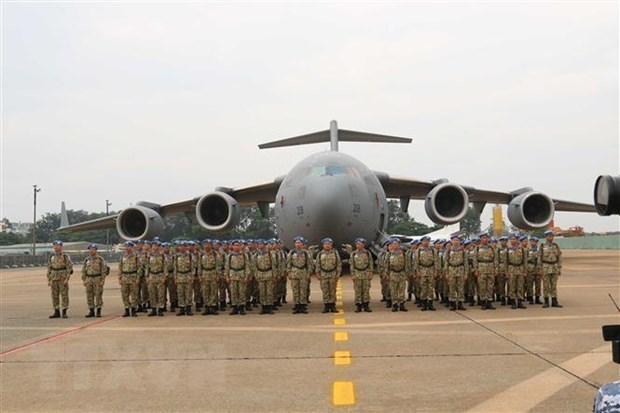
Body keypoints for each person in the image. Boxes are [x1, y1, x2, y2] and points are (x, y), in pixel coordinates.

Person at [286, 236, 314, 314]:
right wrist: (288, 272)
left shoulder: (306, 252)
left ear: (302, 244)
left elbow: (309, 263)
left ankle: (302, 305)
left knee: (303, 290)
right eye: (296, 243)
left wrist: (309, 273)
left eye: (299, 243)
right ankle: (297, 305)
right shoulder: (291, 252)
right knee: (295, 290)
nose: (298, 244)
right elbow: (289, 263)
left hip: (303, 273)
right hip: (294, 273)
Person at [47, 240, 73, 319]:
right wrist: (49, 279)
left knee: (64, 295)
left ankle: (64, 311)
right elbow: (49, 268)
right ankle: (56, 311)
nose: (56, 247)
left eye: (58, 245)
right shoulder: (51, 256)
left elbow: (69, 267)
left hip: (62, 277)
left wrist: (67, 278)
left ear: (61, 246)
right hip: (54, 277)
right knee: (54, 295)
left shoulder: (65, 256)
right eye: (55, 245)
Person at [81, 244, 109, 318]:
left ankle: (98, 311)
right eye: (90, 249)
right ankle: (91, 311)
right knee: (89, 295)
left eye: (93, 249)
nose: (91, 250)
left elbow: (104, 270)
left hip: (97, 278)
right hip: (89, 279)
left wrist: (103, 280)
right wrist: (84, 279)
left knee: (98, 295)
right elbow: (83, 270)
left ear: (96, 250)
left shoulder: (100, 259)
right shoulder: (86, 259)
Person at [316, 237, 342, 313]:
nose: (327, 245)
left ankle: (333, 305)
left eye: (329, 244)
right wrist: (317, 273)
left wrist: (338, 274)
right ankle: (326, 306)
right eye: (326, 244)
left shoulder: (335, 253)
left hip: (333, 274)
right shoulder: (320, 254)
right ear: (323, 245)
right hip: (323, 275)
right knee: (325, 291)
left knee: (333, 291)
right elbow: (317, 264)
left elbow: (338, 264)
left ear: (331, 245)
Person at [412, 236, 438, 311]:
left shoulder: (433, 251)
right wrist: (417, 272)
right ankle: (424, 304)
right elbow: (416, 263)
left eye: (427, 241)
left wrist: (436, 271)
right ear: (422, 242)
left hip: (431, 271)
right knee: (423, 288)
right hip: (422, 271)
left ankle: (430, 304)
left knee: (430, 288)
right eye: (424, 241)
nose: (426, 242)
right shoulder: (418, 251)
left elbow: (436, 262)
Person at [472, 233, 498, 310]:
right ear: (481, 239)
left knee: (490, 286)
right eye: (483, 237)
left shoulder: (492, 248)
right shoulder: (477, 248)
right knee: (482, 286)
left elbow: (495, 259)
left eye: (486, 238)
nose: (485, 239)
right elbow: (475, 260)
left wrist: (496, 269)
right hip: (481, 268)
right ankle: (483, 302)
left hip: (490, 268)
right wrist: (476, 270)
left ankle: (489, 302)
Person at [538, 230, 564, 308]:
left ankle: (554, 301)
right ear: (546, 237)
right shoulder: (542, 246)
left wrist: (559, 268)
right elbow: (540, 257)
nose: (551, 238)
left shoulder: (555, 246)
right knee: (546, 285)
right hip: (545, 267)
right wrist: (539, 268)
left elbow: (559, 257)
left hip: (554, 267)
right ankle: (546, 301)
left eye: (552, 236)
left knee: (553, 285)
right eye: (549, 236)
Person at [225, 240, 250, 315]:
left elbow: (247, 266)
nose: (236, 247)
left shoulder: (244, 255)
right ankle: (235, 307)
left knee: (242, 292)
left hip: (241, 274)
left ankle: (242, 307)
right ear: (232, 247)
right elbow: (227, 267)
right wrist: (227, 276)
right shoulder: (230, 255)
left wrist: (246, 276)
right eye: (235, 245)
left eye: (237, 245)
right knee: (233, 292)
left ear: (240, 246)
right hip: (233, 275)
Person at [444, 235, 468, 311]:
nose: (456, 241)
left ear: (459, 241)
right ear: (451, 241)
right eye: (454, 240)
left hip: (460, 270)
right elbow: (446, 262)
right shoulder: (448, 250)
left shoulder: (463, 250)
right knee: (452, 288)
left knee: (461, 288)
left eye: (457, 240)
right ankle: (453, 304)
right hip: (451, 270)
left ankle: (460, 303)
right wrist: (446, 273)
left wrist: (465, 273)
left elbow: (466, 262)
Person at [350, 238, 374, 313]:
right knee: (358, 290)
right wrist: (353, 274)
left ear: (363, 245)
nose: (358, 245)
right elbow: (352, 265)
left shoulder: (367, 253)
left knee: (366, 290)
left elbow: (370, 264)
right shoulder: (353, 253)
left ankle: (366, 305)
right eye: (357, 244)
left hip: (366, 274)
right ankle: (358, 306)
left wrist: (370, 273)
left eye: (360, 244)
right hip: (357, 274)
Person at [118, 241, 141, 317]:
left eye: (128, 246)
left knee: (134, 294)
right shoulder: (123, 256)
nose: (127, 248)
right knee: (125, 294)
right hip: (124, 277)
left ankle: (133, 310)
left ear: (132, 247)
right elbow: (120, 267)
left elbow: (139, 268)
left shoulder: (136, 256)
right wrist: (120, 278)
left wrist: (138, 278)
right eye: (126, 246)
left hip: (133, 277)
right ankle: (127, 309)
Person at [253, 240, 275, 315]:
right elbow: (254, 266)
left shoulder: (270, 254)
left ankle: (269, 307)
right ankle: (263, 307)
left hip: (268, 273)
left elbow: (273, 265)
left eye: (262, 244)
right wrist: (256, 275)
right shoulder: (256, 255)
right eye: (259, 244)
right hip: (260, 274)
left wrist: (274, 275)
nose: (260, 246)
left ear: (265, 245)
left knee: (269, 291)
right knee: (262, 292)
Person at [174, 241, 196, 316]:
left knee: (188, 293)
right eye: (180, 246)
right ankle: (182, 309)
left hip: (188, 276)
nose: (181, 248)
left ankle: (188, 308)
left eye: (183, 246)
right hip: (179, 276)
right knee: (180, 293)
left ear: (186, 247)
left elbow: (193, 267)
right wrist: (175, 278)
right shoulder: (177, 256)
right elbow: (175, 268)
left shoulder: (190, 256)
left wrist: (192, 277)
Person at [507, 234, 528, 309]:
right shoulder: (508, 249)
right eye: (511, 239)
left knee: (520, 286)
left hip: (520, 269)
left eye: (514, 239)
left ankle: (520, 302)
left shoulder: (522, 249)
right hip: (511, 269)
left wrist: (525, 271)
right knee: (512, 286)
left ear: (517, 240)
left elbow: (525, 261)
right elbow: (506, 261)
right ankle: (513, 302)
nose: (513, 241)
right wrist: (506, 272)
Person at [387, 238, 408, 312]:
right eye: (393, 244)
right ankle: (394, 304)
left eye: (396, 244)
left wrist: (407, 273)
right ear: (391, 245)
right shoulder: (389, 254)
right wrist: (386, 274)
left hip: (401, 273)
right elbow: (386, 265)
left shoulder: (403, 253)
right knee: (393, 290)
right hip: (393, 274)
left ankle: (402, 304)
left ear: (399, 245)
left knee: (402, 289)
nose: (395, 245)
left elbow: (407, 264)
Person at [146, 241, 167, 317]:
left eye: (156, 246)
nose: (154, 247)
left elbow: (165, 267)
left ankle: (160, 309)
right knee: (152, 293)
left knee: (160, 294)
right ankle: (153, 309)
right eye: (153, 246)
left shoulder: (162, 256)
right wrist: (147, 277)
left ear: (158, 247)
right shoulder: (149, 255)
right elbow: (147, 267)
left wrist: (164, 277)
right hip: (152, 276)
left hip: (160, 276)